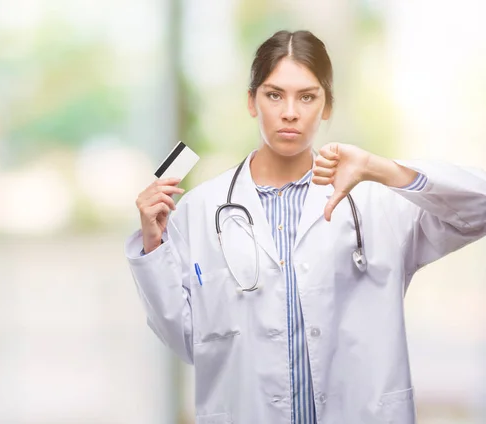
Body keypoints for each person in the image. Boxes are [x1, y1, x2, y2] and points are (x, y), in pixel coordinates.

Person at [124, 29, 486, 424]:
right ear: (251, 101)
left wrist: (380, 169)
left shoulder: (376, 201)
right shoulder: (201, 210)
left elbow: (479, 205)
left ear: (327, 106)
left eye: (307, 96)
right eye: (274, 94)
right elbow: (187, 343)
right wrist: (153, 243)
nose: (290, 112)